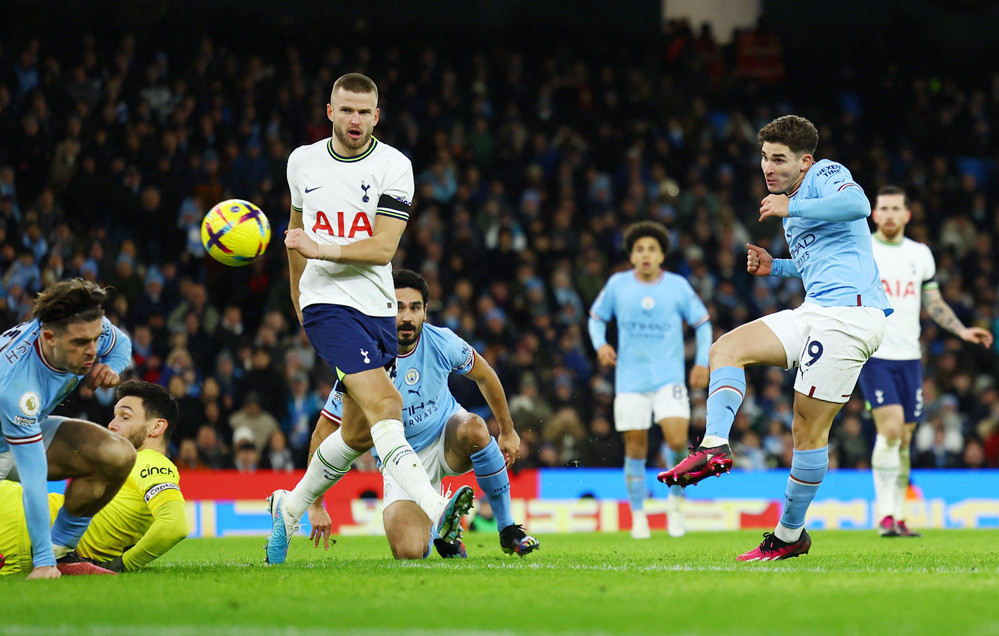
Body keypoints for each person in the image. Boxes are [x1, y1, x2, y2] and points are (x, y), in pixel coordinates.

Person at [659, 115, 892, 561]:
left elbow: (859, 206)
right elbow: (818, 264)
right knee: (726, 348)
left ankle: (789, 535)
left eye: (779, 159)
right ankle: (714, 446)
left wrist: (793, 208)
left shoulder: (826, 174)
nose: (768, 167)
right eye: (765, 157)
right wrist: (776, 266)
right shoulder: (790, 200)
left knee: (807, 430)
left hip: (852, 315)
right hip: (816, 309)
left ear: (806, 161)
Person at [269, 73, 472, 564]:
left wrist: (319, 247)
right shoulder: (302, 161)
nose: (355, 119)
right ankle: (434, 503)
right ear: (330, 112)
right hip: (327, 305)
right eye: (346, 110)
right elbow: (296, 234)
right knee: (388, 402)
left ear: (376, 116)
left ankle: (288, 506)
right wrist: (301, 298)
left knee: (359, 431)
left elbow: (383, 248)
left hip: (376, 307)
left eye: (364, 112)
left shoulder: (395, 165)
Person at [306, 270, 539, 559]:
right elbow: (323, 431)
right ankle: (441, 535)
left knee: (475, 427)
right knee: (408, 552)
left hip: (446, 440)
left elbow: (486, 376)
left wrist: (507, 431)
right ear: (383, 310)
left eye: (415, 308)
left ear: (425, 311)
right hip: (399, 461)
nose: (407, 317)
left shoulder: (442, 342)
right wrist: (315, 504)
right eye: (398, 307)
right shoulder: (362, 361)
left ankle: (508, 529)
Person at [858, 186, 992, 537]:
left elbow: (932, 302)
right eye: (883, 208)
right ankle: (885, 514)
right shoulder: (862, 249)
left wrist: (961, 331)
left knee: (903, 438)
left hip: (910, 358)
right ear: (874, 213)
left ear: (907, 215)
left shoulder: (921, 255)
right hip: (875, 353)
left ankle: (898, 515)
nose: (888, 214)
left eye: (895, 208)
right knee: (889, 429)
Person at [0, 278, 135, 579]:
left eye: (95, 340)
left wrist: (111, 365)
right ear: (48, 338)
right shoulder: (18, 387)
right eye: (79, 344)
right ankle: (47, 558)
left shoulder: (84, 328)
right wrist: (41, 563)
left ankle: (62, 552)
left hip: (20, 434)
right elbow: (33, 478)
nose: (91, 351)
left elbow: (122, 343)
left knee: (117, 454)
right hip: (12, 438)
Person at [587, 220, 711, 539]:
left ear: (661, 256)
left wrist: (700, 362)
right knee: (636, 449)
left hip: (670, 378)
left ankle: (675, 507)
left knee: (676, 441)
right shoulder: (617, 285)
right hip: (630, 381)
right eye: (639, 249)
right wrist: (601, 345)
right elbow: (595, 319)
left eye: (651, 249)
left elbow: (703, 324)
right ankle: (639, 514)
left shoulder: (678, 286)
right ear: (631, 256)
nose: (645, 255)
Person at [0, 380, 189, 574]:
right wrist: (124, 564)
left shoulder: (149, 460)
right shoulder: (134, 463)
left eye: (125, 417)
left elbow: (175, 524)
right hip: (17, 525)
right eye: (114, 416)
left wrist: (124, 563)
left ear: (156, 427)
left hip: (17, 526)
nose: (112, 425)